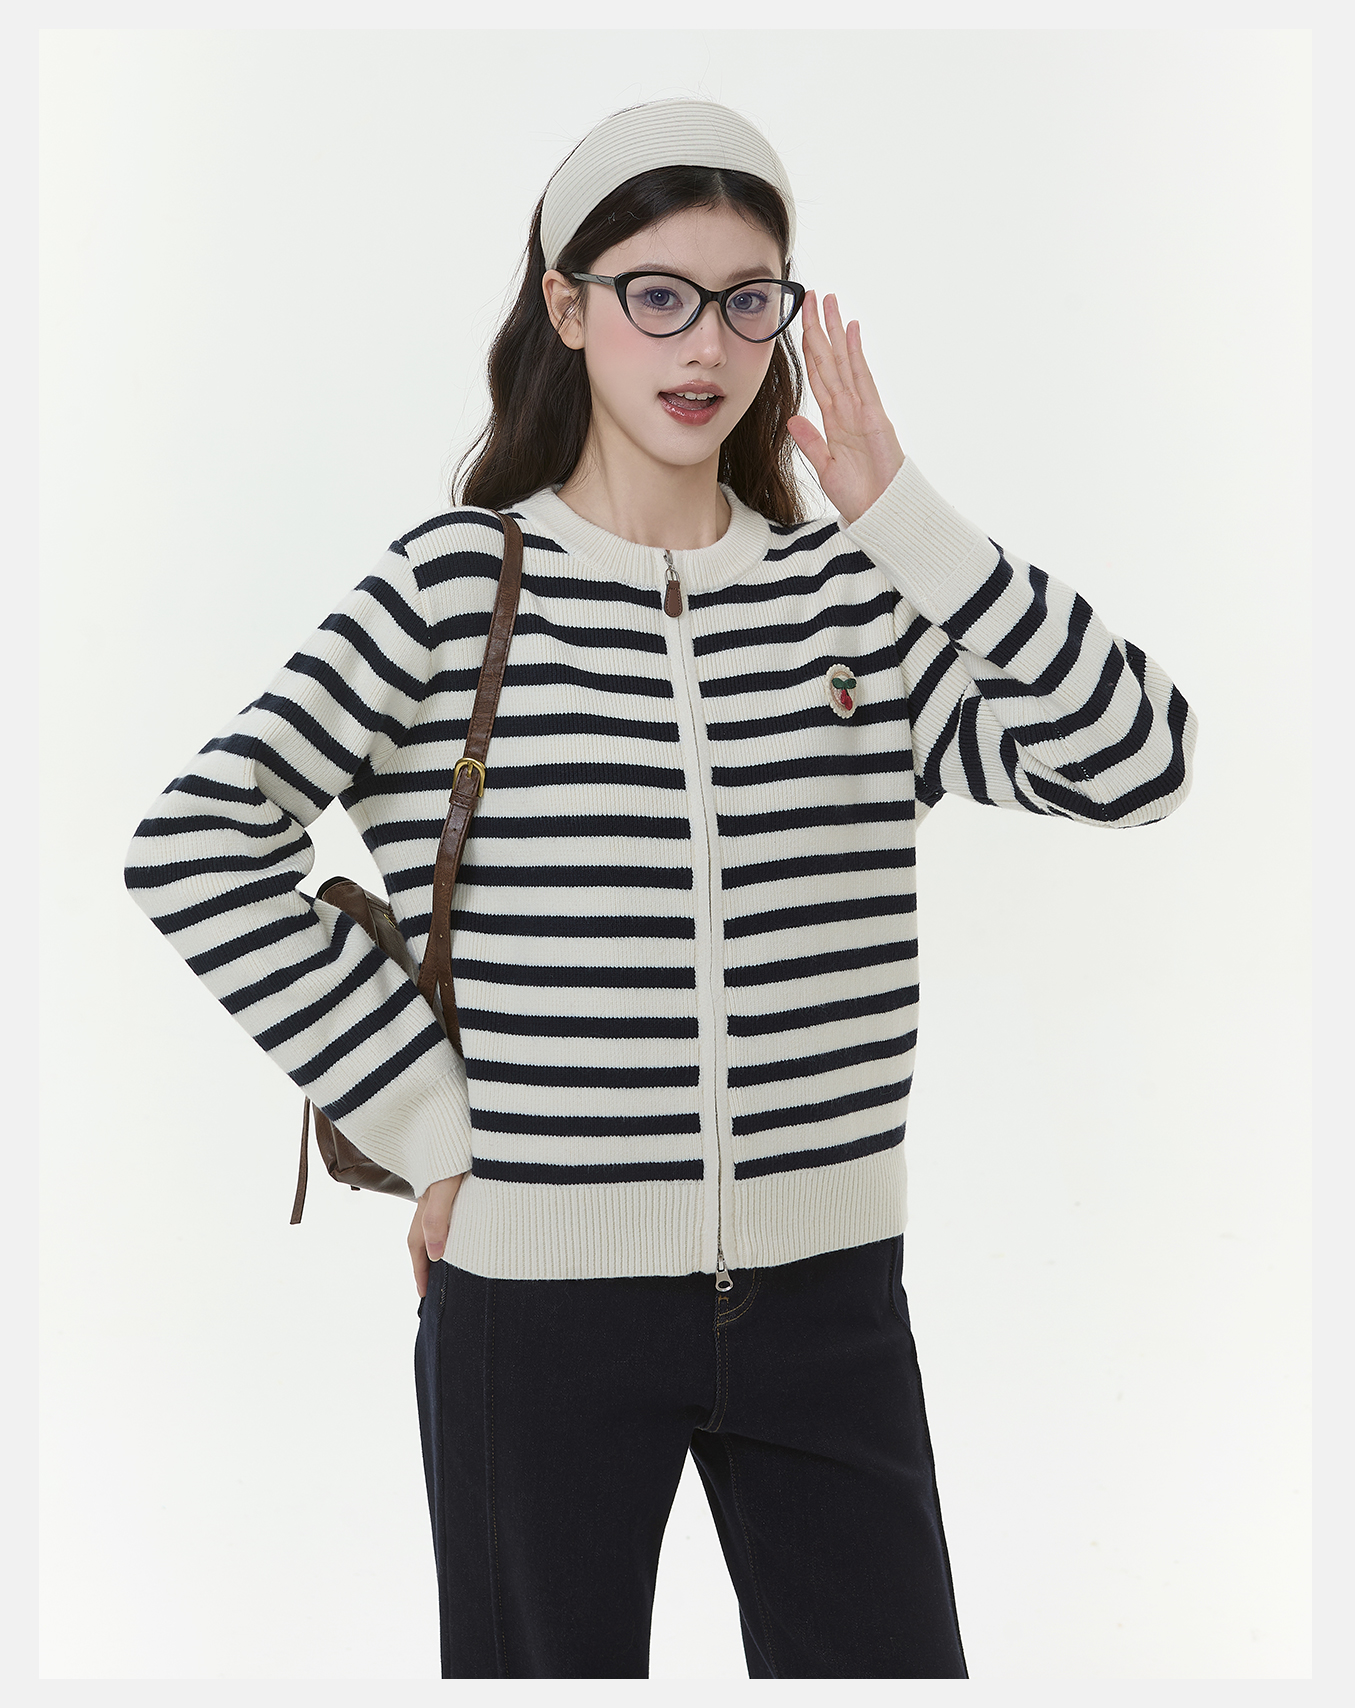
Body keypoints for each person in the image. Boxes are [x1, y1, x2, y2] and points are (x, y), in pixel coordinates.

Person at [123, 97, 1198, 1680]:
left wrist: (905, 520)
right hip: (534, 1309)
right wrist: (432, 1128)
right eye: (658, 295)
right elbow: (196, 843)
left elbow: (1138, 757)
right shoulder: (453, 590)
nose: (706, 344)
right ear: (567, 307)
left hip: (829, 1301)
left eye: (748, 299)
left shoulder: (850, 599)